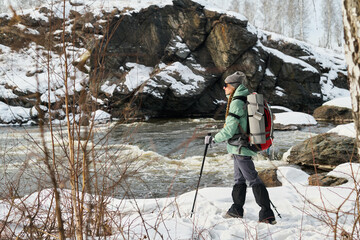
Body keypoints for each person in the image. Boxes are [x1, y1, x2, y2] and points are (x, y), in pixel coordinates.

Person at [211, 71, 276, 224]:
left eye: (226, 85)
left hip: (240, 146)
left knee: (253, 179)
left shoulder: (237, 102)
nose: (224, 88)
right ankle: (236, 210)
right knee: (239, 179)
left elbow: (230, 129)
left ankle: (267, 214)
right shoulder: (242, 99)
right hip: (238, 147)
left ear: (233, 86)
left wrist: (214, 139)